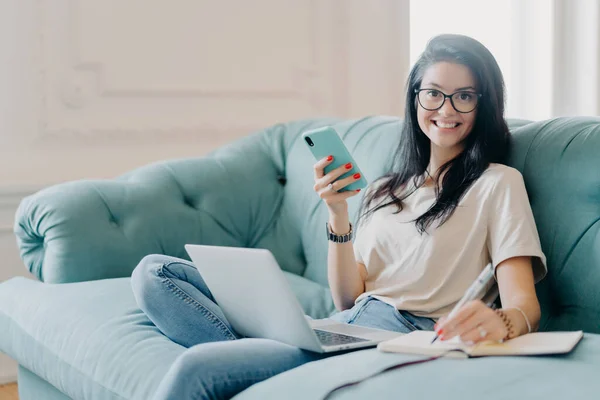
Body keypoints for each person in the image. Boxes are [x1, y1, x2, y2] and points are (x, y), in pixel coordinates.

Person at [131, 33, 547, 400]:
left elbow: (524, 305)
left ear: (483, 104)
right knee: (156, 273)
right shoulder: (388, 188)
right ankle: (266, 356)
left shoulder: (498, 183)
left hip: (395, 338)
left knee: (198, 367)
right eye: (433, 93)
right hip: (341, 325)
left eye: (465, 95)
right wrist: (337, 213)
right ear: (416, 97)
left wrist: (498, 323)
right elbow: (348, 298)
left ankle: (258, 359)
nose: (446, 108)